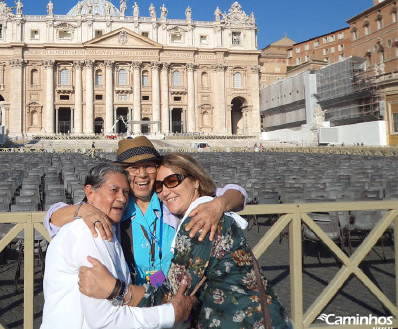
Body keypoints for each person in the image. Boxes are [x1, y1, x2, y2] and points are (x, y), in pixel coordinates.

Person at [78, 153, 291, 328]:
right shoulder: (121, 207)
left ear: (196, 181)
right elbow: (55, 214)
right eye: (160, 186)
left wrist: (116, 289)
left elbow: (172, 293)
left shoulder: (201, 218)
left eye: (172, 181)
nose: (165, 191)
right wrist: (81, 209)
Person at [44, 136, 247, 287]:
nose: (142, 174)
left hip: (169, 295)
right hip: (129, 301)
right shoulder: (115, 206)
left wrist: (218, 204)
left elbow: (237, 193)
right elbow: (52, 218)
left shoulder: (170, 199)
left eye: (148, 166)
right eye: (133, 168)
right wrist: (83, 209)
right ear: (123, 172)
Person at [41, 162, 195, 328]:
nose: (122, 198)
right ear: (90, 193)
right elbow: (106, 320)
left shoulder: (171, 206)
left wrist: (219, 203)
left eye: (125, 192)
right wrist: (170, 313)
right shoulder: (92, 231)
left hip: (153, 293)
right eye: (114, 190)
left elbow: (212, 191)